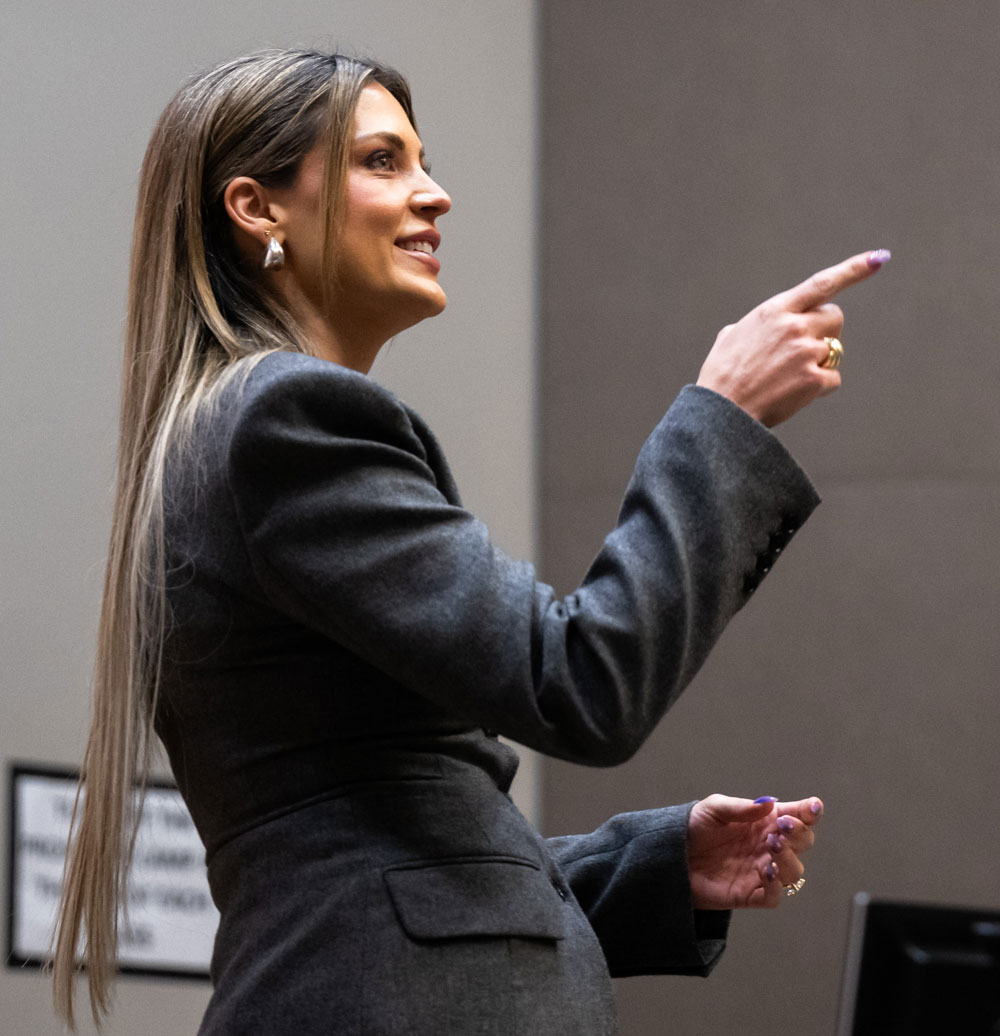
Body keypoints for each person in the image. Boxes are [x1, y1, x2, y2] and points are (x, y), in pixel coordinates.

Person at [51, 49, 887, 1035]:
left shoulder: (236, 430)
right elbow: (581, 682)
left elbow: (380, 856)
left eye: (423, 162)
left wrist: (655, 866)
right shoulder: (287, 418)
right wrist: (722, 417)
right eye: (382, 161)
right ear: (257, 208)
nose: (434, 195)